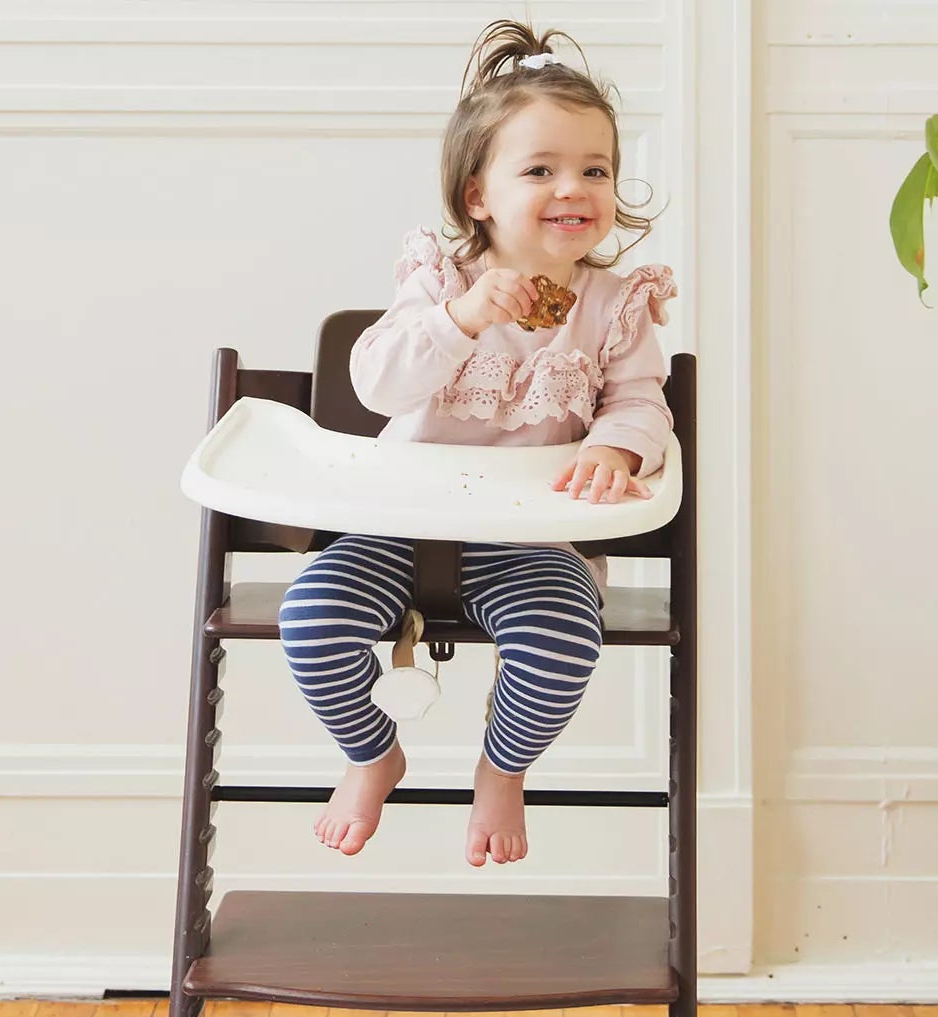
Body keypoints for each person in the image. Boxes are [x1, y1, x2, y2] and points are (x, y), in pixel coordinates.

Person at [279, 17, 676, 867]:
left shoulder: (615, 306)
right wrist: (459, 320)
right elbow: (376, 382)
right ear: (478, 196)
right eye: (540, 169)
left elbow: (645, 403)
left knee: (568, 636)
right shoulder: (438, 283)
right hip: (395, 525)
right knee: (309, 620)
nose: (574, 186)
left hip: (530, 539)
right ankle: (371, 752)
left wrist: (614, 447)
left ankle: (503, 768)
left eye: (595, 169)